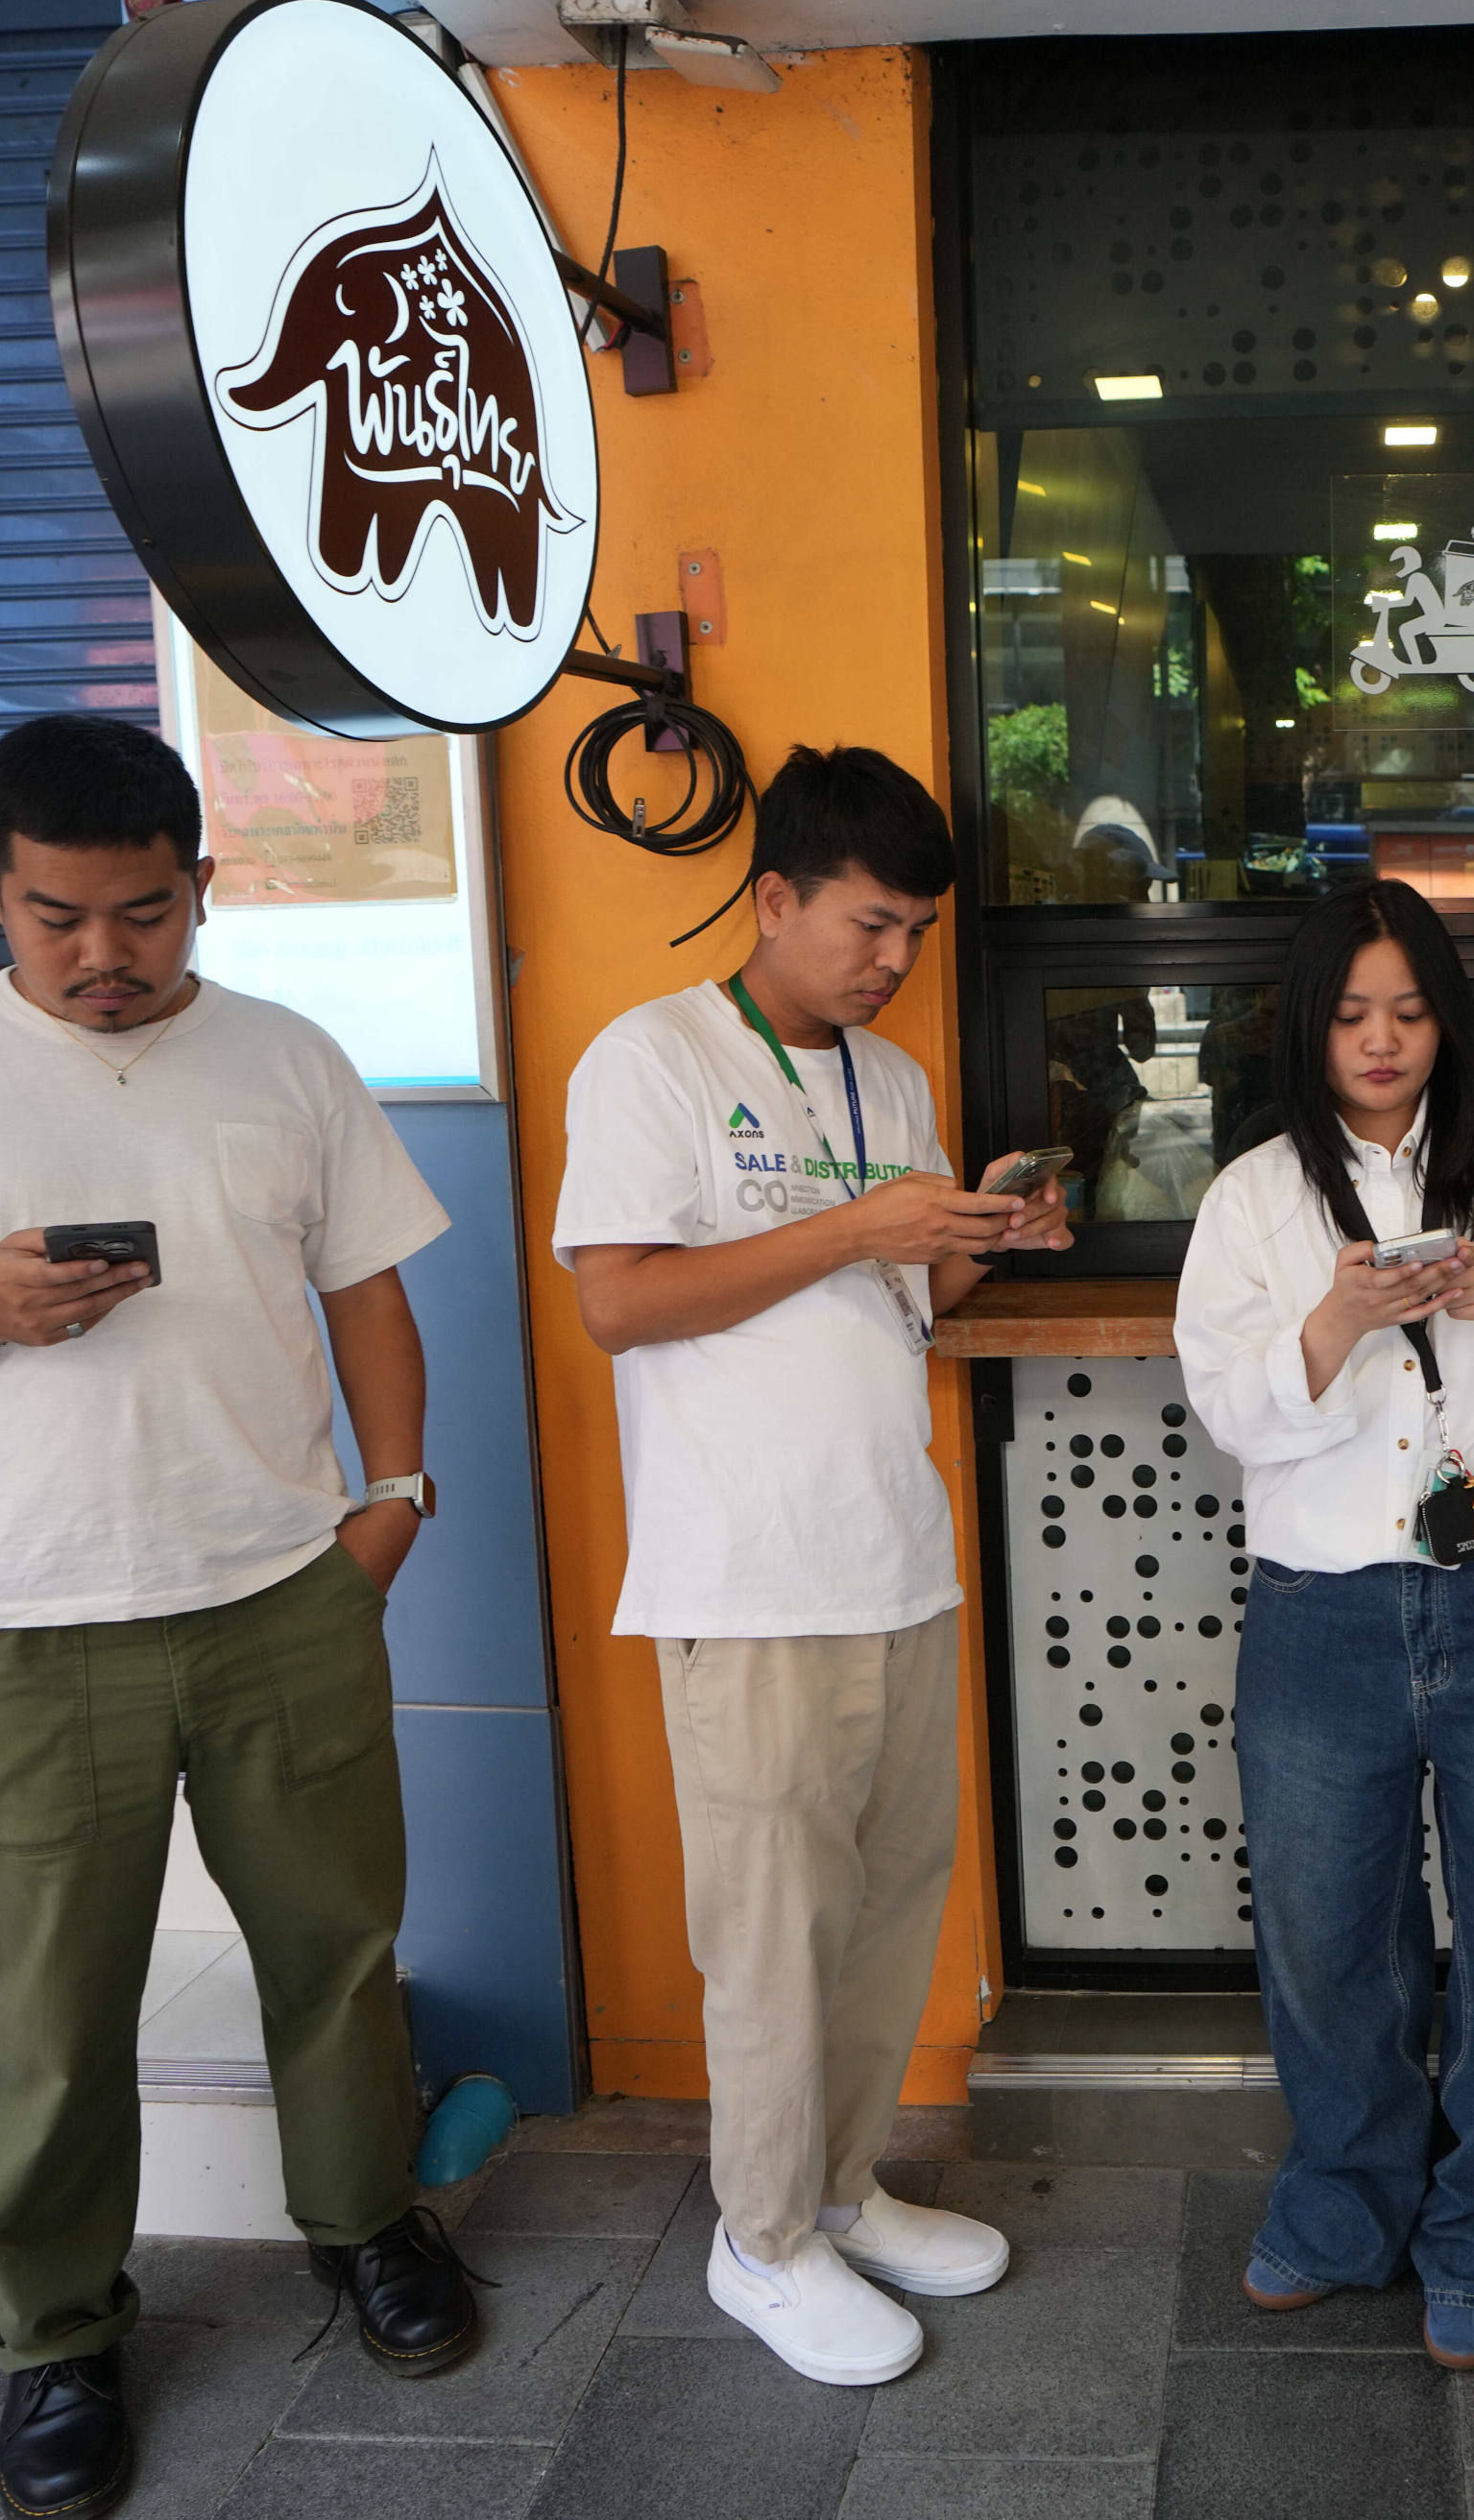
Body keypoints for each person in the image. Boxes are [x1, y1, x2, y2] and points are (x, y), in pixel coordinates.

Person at [0, 713, 480, 2520]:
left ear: (202, 888)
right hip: (20, 1623)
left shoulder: (286, 1058)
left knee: (338, 1950)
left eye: (144, 914)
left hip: (280, 1594)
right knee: (53, 2011)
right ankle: (56, 2335)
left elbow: (371, 1297)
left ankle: (369, 2224)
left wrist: (391, 1505)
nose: (102, 955)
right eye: (56, 915)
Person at [554, 746, 1074, 2387]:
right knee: (771, 1939)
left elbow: (898, 1313)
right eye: (868, 924)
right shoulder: (650, 1059)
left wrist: (976, 1241)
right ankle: (759, 2238)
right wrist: (862, 1226)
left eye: (913, 930)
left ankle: (840, 2189)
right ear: (772, 898)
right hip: (746, 1584)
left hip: (895, 1564)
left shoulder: (893, 1078)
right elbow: (621, 1299)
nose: (893, 959)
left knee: (881, 1916)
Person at [1173, 877, 1474, 2373]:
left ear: (1447, 1018)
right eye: (1348, 1013)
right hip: (1320, 1607)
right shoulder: (1254, 1194)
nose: (1381, 1040)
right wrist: (1332, 1323)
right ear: (1304, 1030)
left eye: (1407, 1009)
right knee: (1330, 1942)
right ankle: (1345, 2209)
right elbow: (1221, 1406)